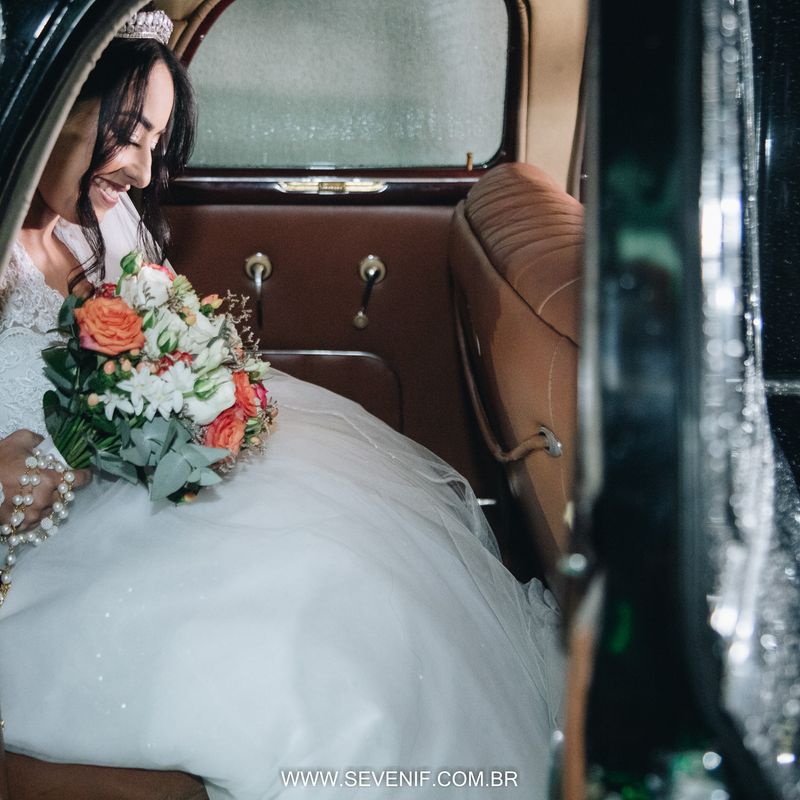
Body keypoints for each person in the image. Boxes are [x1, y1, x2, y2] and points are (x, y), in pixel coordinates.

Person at [0, 10, 563, 800]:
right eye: (127, 134)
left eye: (155, 145)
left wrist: (190, 388)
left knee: (354, 563)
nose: (140, 171)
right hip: (45, 547)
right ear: (48, 104)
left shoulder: (100, 221)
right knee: (305, 627)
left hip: (119, 486)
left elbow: (145, 339)